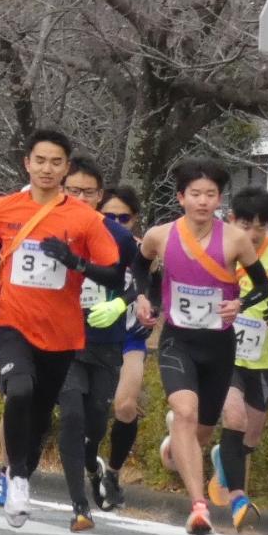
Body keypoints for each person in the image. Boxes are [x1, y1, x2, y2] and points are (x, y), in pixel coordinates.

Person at [0, 129, 125, 531]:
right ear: (27, 163)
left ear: (66, 168)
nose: (47, 168)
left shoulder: (84, 219)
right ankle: (19, 478)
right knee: (19, 389)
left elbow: (113, 271)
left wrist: (76, 263)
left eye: (56, 162)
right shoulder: (1, 208)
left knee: (41, 409)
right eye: (40, 160)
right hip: (9, 320)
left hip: (61, 331)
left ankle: (20, 469)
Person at [132, 159, 268, 535]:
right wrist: (143, 299)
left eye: (210, 194)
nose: (202, 201)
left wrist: (240, 303)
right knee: (185, 408)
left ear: (219, 199)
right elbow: (139, 268)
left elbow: (263, 287)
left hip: (219, 345)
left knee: (200, 433)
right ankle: (199, 506)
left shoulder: (235, 239)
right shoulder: (160, 235)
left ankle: (176, 445)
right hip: (178, 340)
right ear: (181, 197)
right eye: (195, 194)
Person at [46, 158, 135, 528]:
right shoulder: (49, 229)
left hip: (106, 342)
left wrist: (121, 302)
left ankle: (90, 458)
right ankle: (79, 505)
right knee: (72, 416)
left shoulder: (118, 236)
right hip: (62, 340)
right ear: (62, 189)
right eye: (73, 190)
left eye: (88, 192)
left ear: (100, 196)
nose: (80, 197)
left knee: (96, 422)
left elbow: (140, 284)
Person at [206, 186, 268, 512]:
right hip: (223, 349)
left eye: (260, 226)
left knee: (251, 434)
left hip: (263, 356)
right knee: (233, 417)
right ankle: (237, 497)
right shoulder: (217, 249)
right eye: (245, 225)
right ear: (231, 219)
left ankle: (226, 455)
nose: (252, 233)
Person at [93, 184, 148, 511]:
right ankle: (90, 464)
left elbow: (153, 290)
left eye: (123, 218)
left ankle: (112, 473)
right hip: (90, 337)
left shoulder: (143, 252)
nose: (115, 222)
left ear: (134, 220)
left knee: (125, 407)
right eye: (108, 216)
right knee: (89, 412)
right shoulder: (87, 244)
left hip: (129, 337)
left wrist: (148, 307)